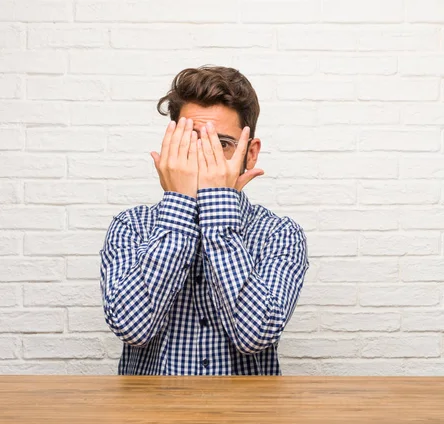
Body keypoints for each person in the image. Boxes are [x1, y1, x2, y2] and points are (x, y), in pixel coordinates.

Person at [98, 65, 310, 375]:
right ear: (172, 147)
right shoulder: (130, 226)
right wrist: (180, 208)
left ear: (250, 154)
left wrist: (218, 211)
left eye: (221, 144)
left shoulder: (279, 234)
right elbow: (132, 328)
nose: (202, 158)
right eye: (191, 142)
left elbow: (255, 335)